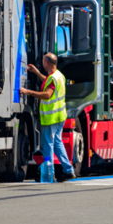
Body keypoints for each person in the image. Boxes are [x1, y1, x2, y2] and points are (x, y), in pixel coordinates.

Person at [19, 52, 76, 182]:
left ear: (46, 63)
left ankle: (49, 174)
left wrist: (28, 92)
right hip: (60, 116)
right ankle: (68, 170)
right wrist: (36, 72)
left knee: (48, 146)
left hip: (51, 118)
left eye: (43, 61)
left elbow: (47, 94)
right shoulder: (58, 75)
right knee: (57, 143)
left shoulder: (53, 79)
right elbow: (47, 81)